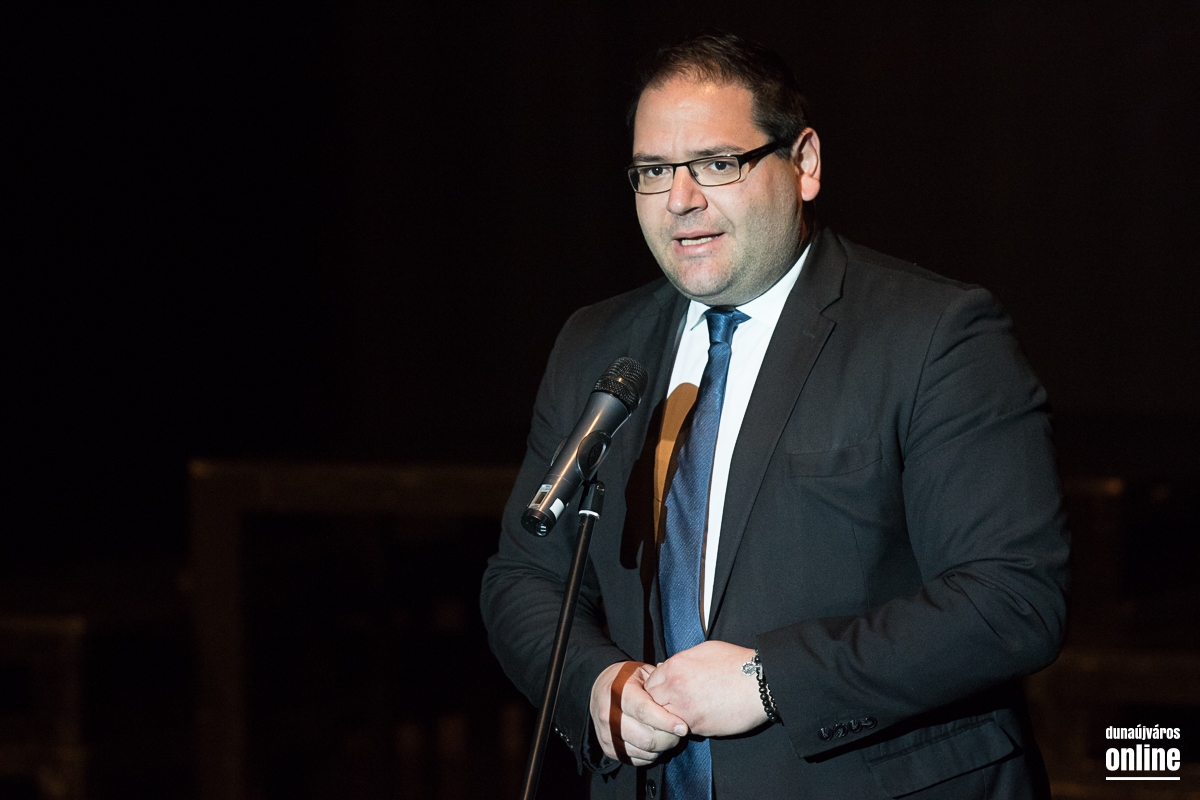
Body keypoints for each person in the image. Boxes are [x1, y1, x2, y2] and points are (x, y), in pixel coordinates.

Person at [481, 31, 1068, 800]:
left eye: (717, 163)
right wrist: (595, 683)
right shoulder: (597, 345)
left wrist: (769, 681)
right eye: (653, 171)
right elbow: (524, 577)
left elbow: (1012, 600)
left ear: (805, 163)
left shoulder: (933, 334)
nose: (680, 199)